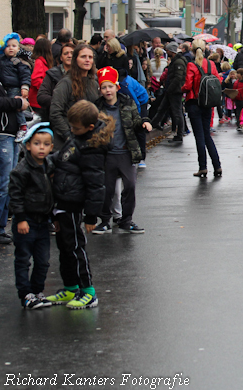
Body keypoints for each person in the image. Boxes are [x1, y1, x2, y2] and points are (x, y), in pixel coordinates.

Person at [46, 100, 113, 310]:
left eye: (76, 128)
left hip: (74, 202)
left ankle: (88, 291)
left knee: (75, 248)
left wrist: (92, 216)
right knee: (64, 248)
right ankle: (70, 286)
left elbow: (95, 184)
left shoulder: (92, 148)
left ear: (90, 127)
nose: (72, 131)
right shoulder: (77, 138)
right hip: (62, 199)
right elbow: (63, 157)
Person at [94, 66, 151, 234]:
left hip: (126, 152)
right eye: (104, 87)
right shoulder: (97, 107)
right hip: (108, 154)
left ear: (117, 87)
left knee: (130, 186)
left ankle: (126, 220)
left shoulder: (127, 102)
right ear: (100, 90)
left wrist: (143, 123)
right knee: (107, 189)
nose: (107, 90)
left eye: (110, 86)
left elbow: (135, 121)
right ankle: (105, 220)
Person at [0, 38, 29, 244]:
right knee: (0, 182)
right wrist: (16, 102)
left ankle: (0, 227)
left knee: (8, 182)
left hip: (8, 132)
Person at [9, 122, 55, 308]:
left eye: (45, 144)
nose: (41, 148)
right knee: (23, 259)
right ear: (28, 145)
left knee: (43, 260)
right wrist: (20, 218)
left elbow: (53, 193)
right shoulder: (22, 170)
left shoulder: (49, 166)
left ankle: (37, 291)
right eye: (37, 143)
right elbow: (15, 195)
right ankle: (26, 294)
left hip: (43, 221)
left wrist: (55, 218)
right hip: (26, 220)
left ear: (51, 147)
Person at [49, 44, 100, 151]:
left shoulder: (94, 83)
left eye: (90, 57)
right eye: (83, 57)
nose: (87, 60)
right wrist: (68, 135)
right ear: (75, 59)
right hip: (66, 144)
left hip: (87, 142)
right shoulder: (66, 83)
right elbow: (55, 112)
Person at [182, 44, 223, 177]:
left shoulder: (192, 65)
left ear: (193, 51)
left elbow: (188, 85)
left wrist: (181, 89)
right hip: (208, 102)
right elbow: (219, 80)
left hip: (194, 102)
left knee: (199, 136)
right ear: (205, 50)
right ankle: (217, 166)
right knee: (207, 135)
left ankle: (203, 167)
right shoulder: (211, 64)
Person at [0, 33, 32, 137]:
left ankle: (23, 126)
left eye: (14, 46)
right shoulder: (1, 61)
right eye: (8, 46)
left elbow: (25, 75)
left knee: (17, 106)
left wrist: (25, 86)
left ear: (18, 48)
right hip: (5, 88)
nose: (10, 48)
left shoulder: (18, 62)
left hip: (15, 88)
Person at [152, 42, 187, 143]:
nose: (167, 52)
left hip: (174, 91)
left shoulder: (178, 62)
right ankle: (154, 123)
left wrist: (170, 88)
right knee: (163, 108)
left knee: (177, 112)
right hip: (172, 90)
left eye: (168, 51)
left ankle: (179, 134)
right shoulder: (177, 61)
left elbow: (178, 77)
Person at [36, 42, 74, 122]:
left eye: (72, 53)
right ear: (61, 58)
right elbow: (41, 96)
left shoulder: (83, 74)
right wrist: (61, 101)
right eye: (66, 53)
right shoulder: (52, 74)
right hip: (55, 118)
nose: (69, 56)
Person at [29, 37, 54, 118]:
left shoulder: (42, 61)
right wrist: (46, 88)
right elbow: (35, 80)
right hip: (37, 101)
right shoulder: (39, 62)